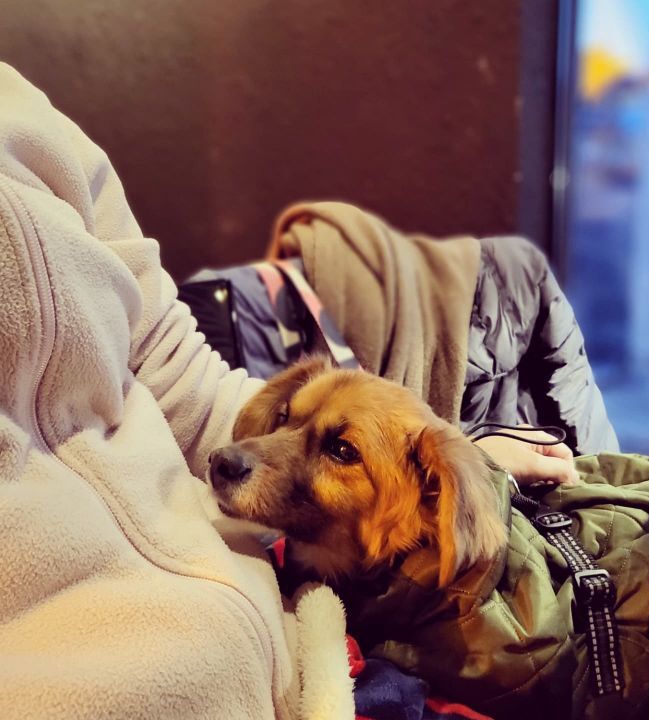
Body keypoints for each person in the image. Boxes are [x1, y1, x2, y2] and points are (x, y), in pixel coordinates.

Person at [0, 63, 578, 718]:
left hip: (285, 629)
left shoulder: (37, 120)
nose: (246, 453)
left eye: (337, 450)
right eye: (300, 427)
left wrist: (457, 464)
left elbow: (166, 361)